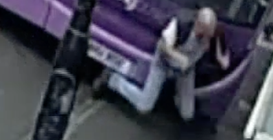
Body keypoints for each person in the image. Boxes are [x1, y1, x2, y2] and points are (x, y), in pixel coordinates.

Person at [91, 7, 230, 122]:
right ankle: (112, 79)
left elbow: (219, 53)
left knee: (187, 114)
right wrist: (179, 57)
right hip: (164, 63)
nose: (207, 35)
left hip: (186, 70)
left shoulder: (211, 34)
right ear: (199, 24)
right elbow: (163, 46)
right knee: (144, 106)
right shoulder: (181, 24)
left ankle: (177, 96)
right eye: (205, 31)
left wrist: (221, 58)